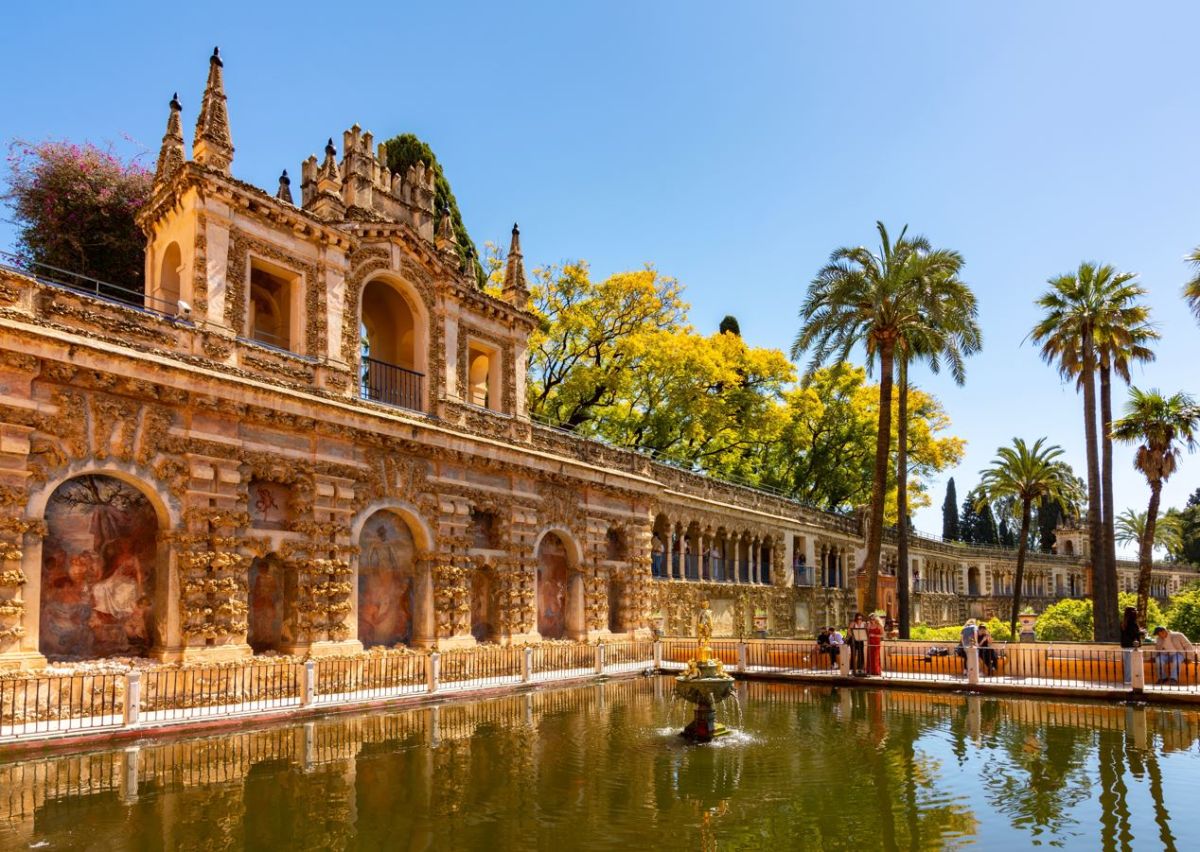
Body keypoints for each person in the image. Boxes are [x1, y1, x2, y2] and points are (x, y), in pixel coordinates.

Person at [1119, 606, 1142, 686]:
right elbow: (1133, 634)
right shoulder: (1132, 622)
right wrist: (1141, 632)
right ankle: (1128, 680)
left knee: (1127, 664)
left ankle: (1128, 679)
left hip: (1125, 646)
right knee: (1130, 664)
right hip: (1132, 646)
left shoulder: (1123, 622)